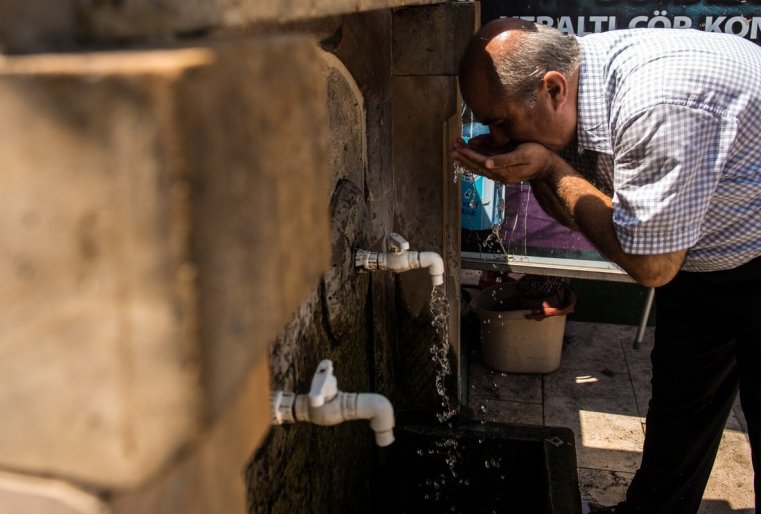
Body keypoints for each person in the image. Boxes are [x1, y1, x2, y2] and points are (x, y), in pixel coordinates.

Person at [452, 18, 761, 514]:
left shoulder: (656, 104)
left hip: (743, 250)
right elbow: (580, 209)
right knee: (683, 404)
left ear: (553, 88)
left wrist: (549, 167)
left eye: (503, 121)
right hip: (709, 254)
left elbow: (652, 265)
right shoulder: (576, 75)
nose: (496, 134)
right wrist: (529, 163)